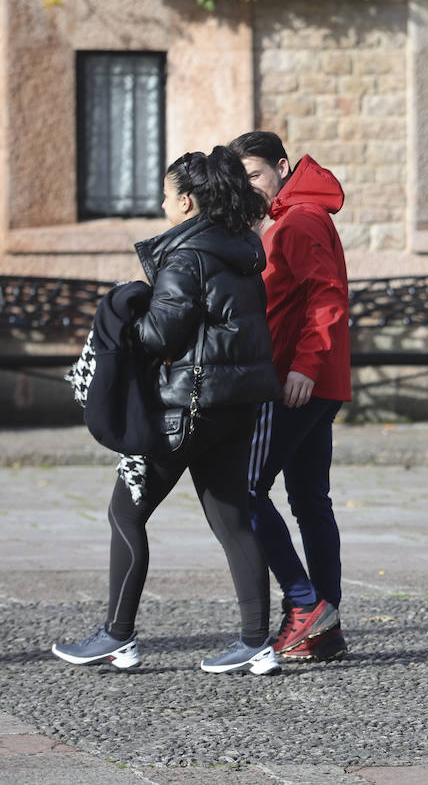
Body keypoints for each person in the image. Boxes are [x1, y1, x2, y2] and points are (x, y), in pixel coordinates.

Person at [51, 148, 283, 675]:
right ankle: (255, 643)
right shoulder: (241, 246)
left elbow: (162, 334)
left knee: (125, 512)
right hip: (236, 404)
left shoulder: (187, 255)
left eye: (164, 194)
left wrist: (125, 306)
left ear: (185, 200)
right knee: (230, 518)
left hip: (185, 409)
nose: (160, 203)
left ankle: (117, 635)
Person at [228, 131, 352, 662]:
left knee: (245, 489)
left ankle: (305, 605)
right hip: (315, 380)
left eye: (255, 174)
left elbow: (327, 296)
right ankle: (325, 629)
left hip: (301, 382)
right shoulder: (292, 217)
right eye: (242, 178)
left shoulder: (299, 220)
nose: (250, 186)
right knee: (310, 502)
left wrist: (303, 365)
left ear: (281, 166)